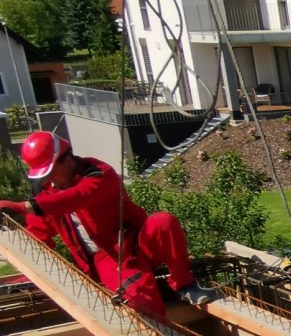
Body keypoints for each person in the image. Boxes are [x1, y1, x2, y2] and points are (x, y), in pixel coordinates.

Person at [0, 131, 215, 319]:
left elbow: (80, 196)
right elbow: (38, 238)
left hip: (138, 241)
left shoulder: (99, 173)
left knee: (163, 221)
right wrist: (28, 273)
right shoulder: (45, 193)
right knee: (144, 305)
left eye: (49, 171)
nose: (47, 178)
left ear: (65, 159)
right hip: (107, 258)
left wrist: (23, 206)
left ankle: (184, 285)